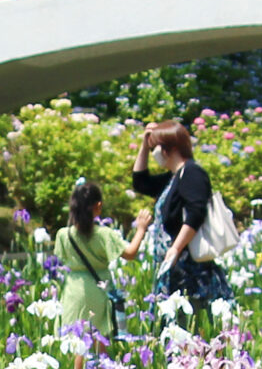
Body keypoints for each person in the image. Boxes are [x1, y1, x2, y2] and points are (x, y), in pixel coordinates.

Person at [128, 121, 232, 314]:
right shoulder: (173, 178)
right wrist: (144, 145)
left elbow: (195, 213)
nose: (154, 152)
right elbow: (140, 182)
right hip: (174, 267)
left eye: (155, 147)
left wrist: (175, 248)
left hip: (189, 271)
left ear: (171, 148)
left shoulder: (192, 172)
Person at [55, 179, 130, 334]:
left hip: (74, 290)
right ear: (98, 206)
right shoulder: (104, 234)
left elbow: (62, 258)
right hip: (99, 289)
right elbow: (130, 253)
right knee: (99, 340)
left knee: (77, 340)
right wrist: (142, 229)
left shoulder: (64, 235)